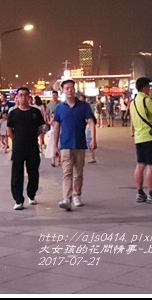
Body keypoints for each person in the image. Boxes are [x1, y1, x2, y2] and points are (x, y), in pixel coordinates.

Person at [52, 80, 97, 210]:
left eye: (72, 88)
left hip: (80, 143)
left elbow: (91, 122)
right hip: (65, 145)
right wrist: (55, 145)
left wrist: (93, 139)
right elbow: (56, 127)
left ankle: (77, 195)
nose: (70, 90)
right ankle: (67, 198)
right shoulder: (60, 108)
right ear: (63, 91)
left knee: (78, 172)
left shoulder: (84, 106)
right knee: (67, 172)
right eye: (67, 88)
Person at [7, 87, 45, 210]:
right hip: (18, 148)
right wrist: (16, 140)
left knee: (33, 172)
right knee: (17, 174)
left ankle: (31, 194)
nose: (23, 97)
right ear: (17, 98)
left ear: (29, 97)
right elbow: (9, 130)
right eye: (21, 95)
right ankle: (18, 200)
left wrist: (33, 138)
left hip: (32, 147)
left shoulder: (35, 112)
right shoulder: (13, 113)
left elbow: (40, 129)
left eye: (25, 95)